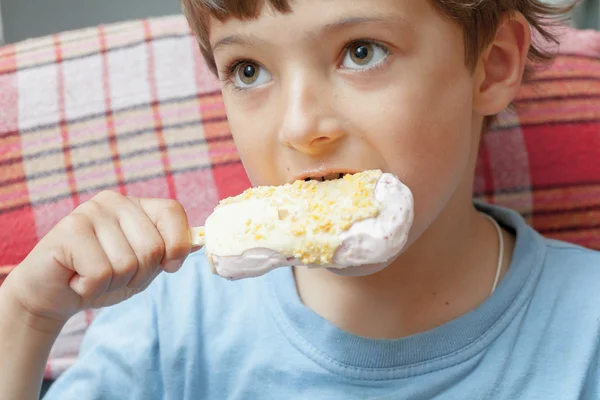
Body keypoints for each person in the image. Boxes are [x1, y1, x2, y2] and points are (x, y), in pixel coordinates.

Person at [1, 0, 599, 399]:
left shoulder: (587, 330)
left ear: (492, 67)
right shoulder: (170, 323)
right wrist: (26, 317)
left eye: (362, 51)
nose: (298, 127)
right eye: (249, 70)